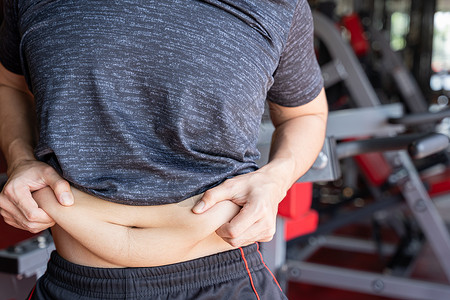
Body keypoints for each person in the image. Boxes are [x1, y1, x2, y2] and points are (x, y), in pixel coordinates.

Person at [0, 0, 328, 299]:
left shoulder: (279, 5)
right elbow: (9, 84)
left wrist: (277, 178)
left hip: (223, 282)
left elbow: (306, 114)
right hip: (69, 285)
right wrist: (20, 158)